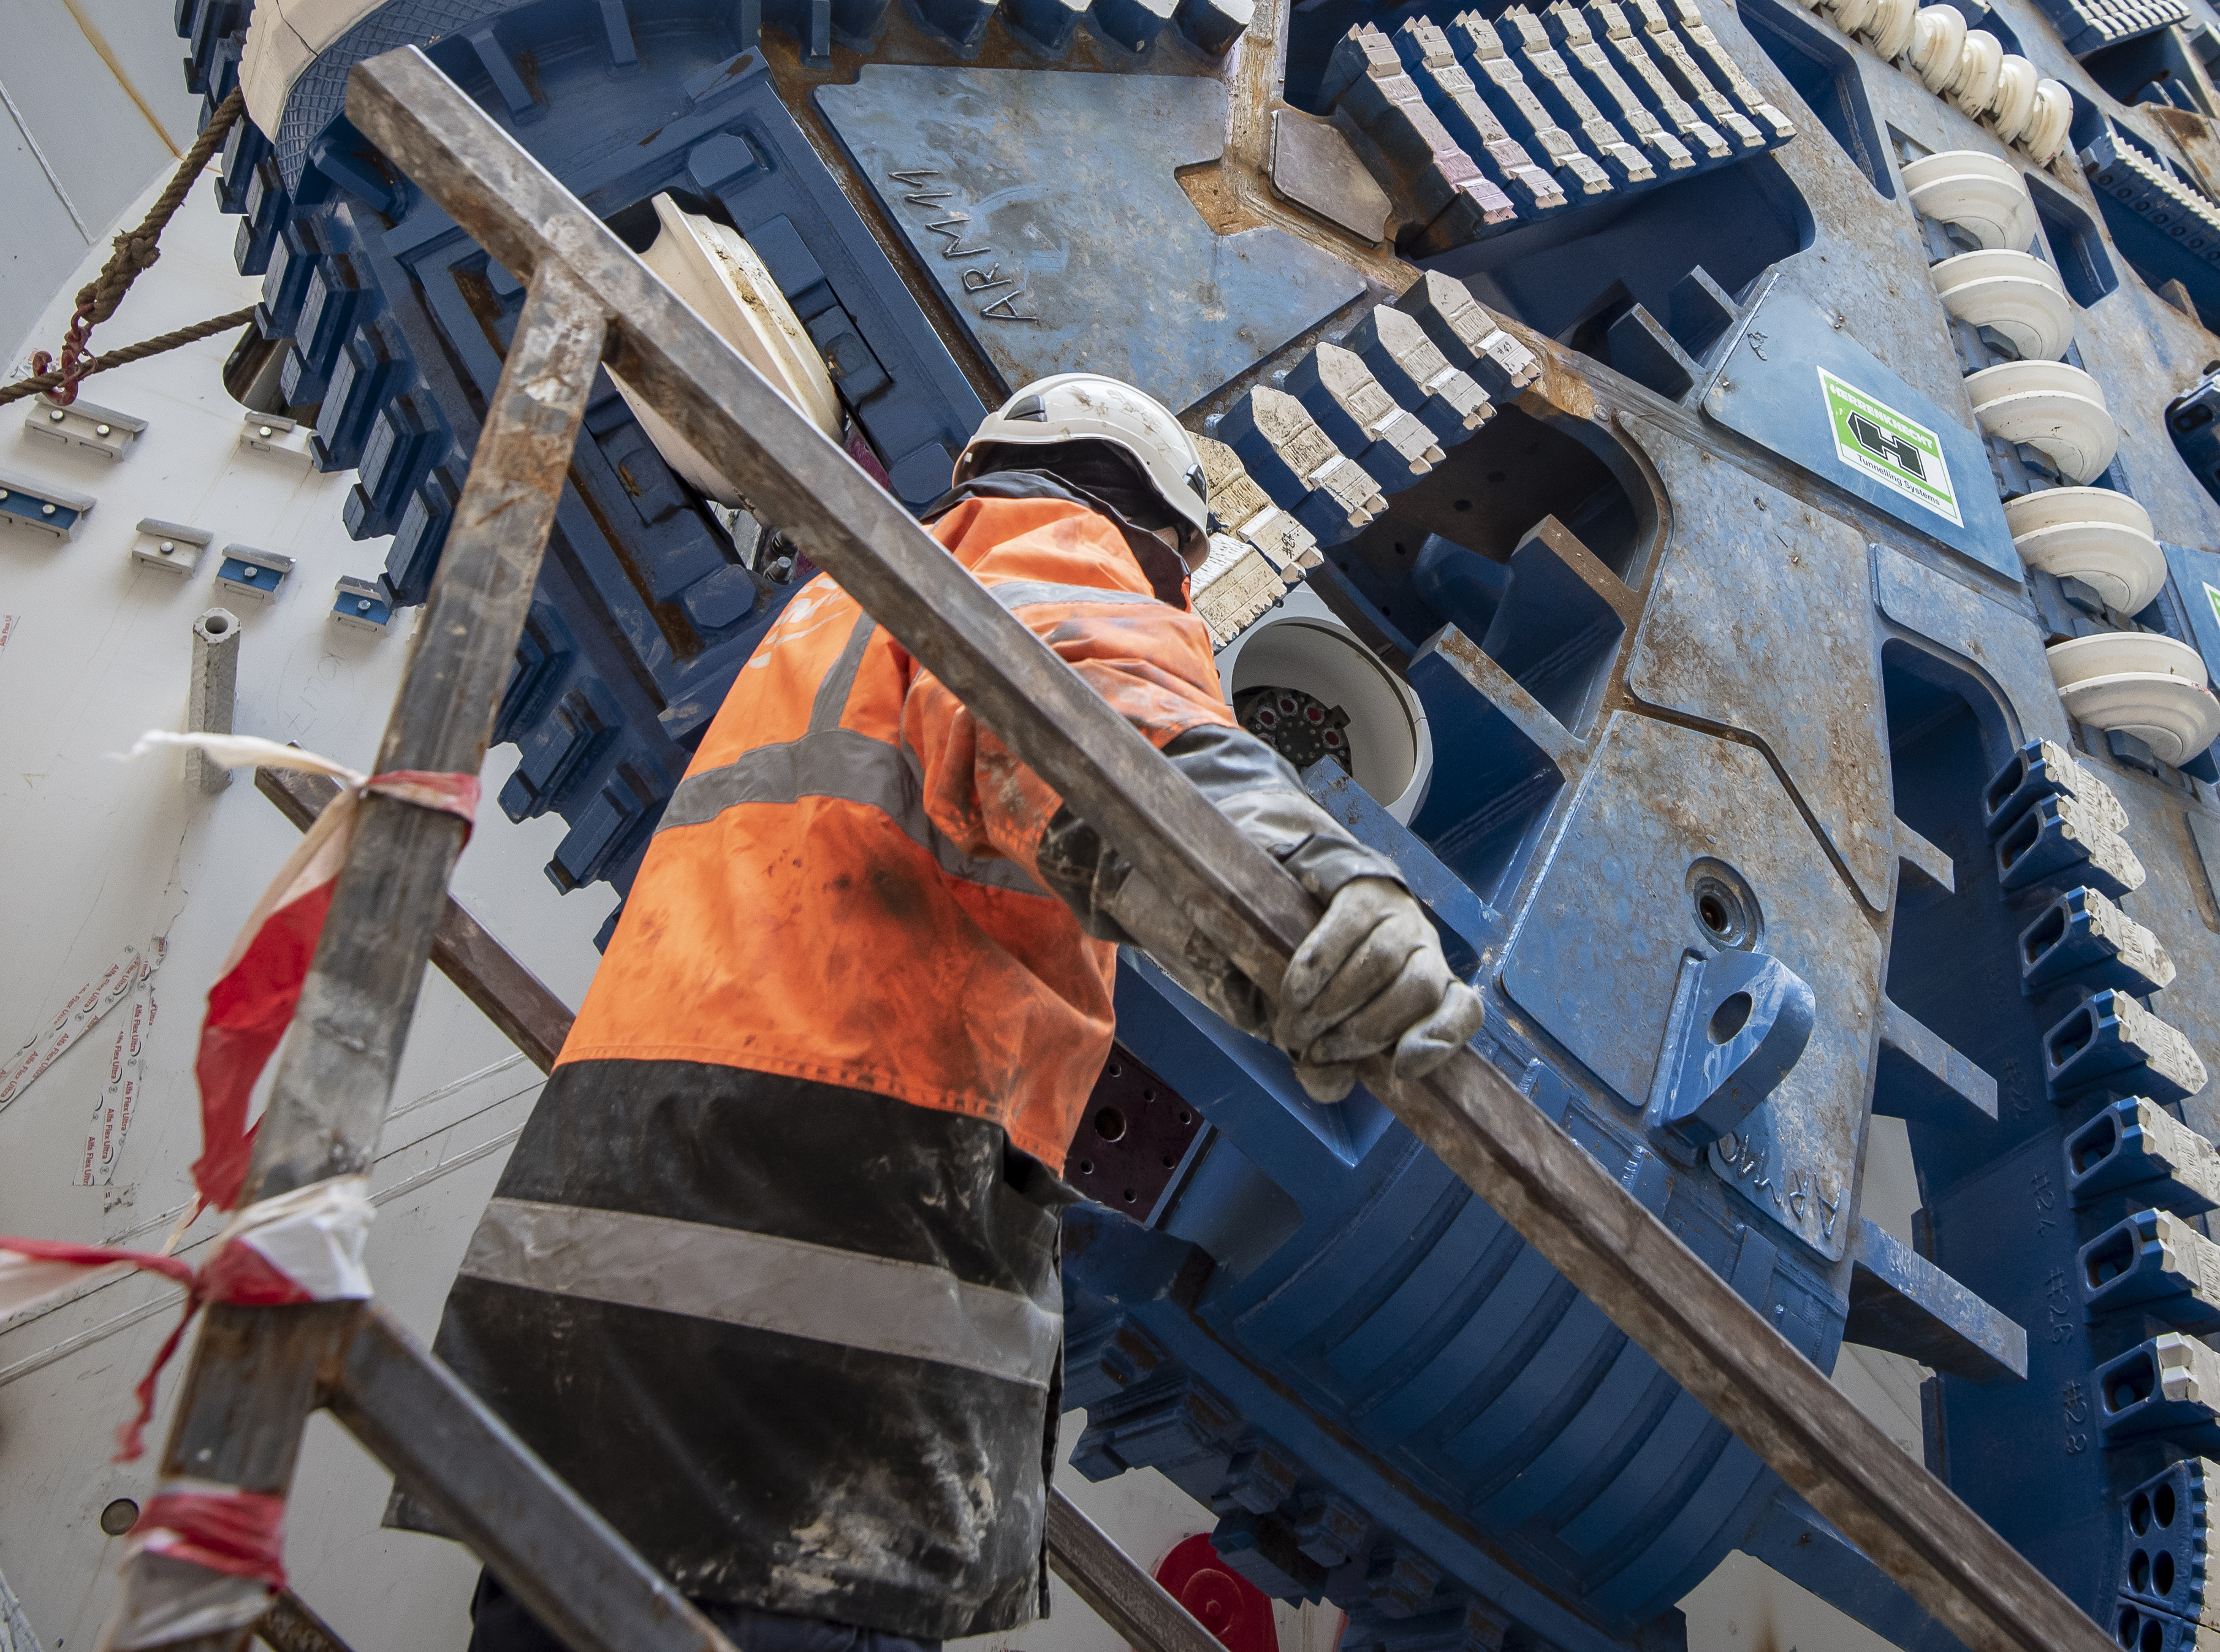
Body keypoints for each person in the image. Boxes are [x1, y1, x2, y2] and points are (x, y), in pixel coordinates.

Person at [424, 373, 1483, 1652]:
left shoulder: (836, 609)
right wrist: (1316, 891)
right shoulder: (1056, 547)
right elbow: (1095, 726)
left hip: (594, 1308)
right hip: (805, 1345)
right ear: (1163, 537)